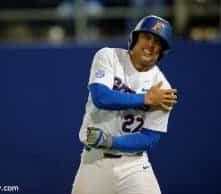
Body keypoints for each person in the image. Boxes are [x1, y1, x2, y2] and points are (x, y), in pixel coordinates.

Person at [71, 15, 177, 194]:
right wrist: (145, 99)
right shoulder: (108, 56)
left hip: (134, 166)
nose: (151, 45)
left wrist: (110, 142)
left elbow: (149, 139)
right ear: (135, 38)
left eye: (158, 42)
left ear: (162, 51)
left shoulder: (162, 87)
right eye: (147, 37)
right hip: (94, 163)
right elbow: (101, 97)